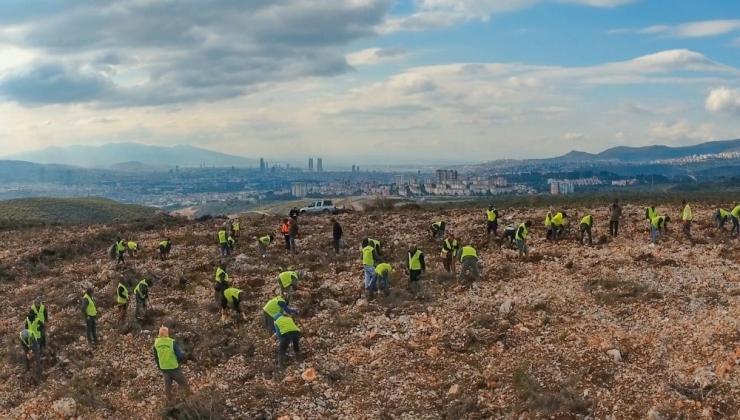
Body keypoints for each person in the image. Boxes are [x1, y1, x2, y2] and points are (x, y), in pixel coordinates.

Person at [153, 326, 192, 402]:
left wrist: (159, 366)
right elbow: (179, 355)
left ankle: (170, 403)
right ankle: (190, 400)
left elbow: (156, 357)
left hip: (164, 369)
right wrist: (184, 357)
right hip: (174, 368)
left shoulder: (156, 343)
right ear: (167, 333)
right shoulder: (172, 342)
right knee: (184, 384)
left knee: (168, 389)